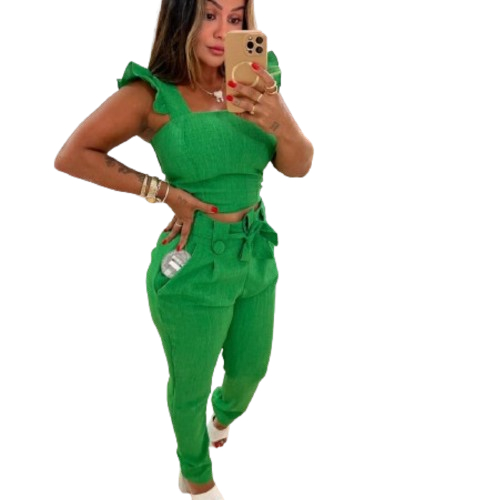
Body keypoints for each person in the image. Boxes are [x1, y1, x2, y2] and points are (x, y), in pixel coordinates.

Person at [54, 0, 313, 498]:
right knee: (189, 387)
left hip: (255, 251)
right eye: (209, 15)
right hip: (193, 263)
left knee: (250, 370)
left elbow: (298, 166)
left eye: (235, 19)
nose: (222, 31)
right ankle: (195, 476)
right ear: (181, 18)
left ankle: (224, 416)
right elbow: (73, 155)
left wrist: (278, 116)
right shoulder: (152, 94)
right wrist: (162, 192)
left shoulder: (259, 82)